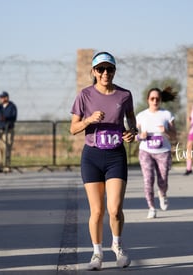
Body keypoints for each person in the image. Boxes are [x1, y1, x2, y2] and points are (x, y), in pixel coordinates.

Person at [70, 51, 137, 270]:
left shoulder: (124, 95)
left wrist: (131, 132)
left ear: (114, 71)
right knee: (97, 211)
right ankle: (97, 254)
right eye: (100, 69)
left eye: (109, 69)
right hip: (92, 156)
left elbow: (131, 123)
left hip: (116, 156)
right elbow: (73, 129)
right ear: (93, 72)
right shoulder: (85, 95)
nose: (105, 73)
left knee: (115, 209)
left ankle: (117, 247)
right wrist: (89, 119)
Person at [135, 87, 177, 219]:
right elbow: (134, 136)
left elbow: (174, 136)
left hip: (163, 151)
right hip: (146, 151)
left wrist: (166, 131)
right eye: (152, 98)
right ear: (148, 100)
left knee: (163, 180)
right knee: (148, 180)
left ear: (161, 100)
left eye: (157, 99)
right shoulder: (141, 116)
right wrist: (140, 136)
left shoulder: (167, 115)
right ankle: (151, 207)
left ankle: (162, 194)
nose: (155, 101)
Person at [0, 91, 17, 173]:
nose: (1, 99)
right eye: (0, 97)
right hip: (0, 130)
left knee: (7, 148)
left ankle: (7, 166)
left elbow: (13, 118)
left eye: (2, 97)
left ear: (6, 98)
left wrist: (6, 119)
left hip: (8, 130)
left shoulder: (12, 106)